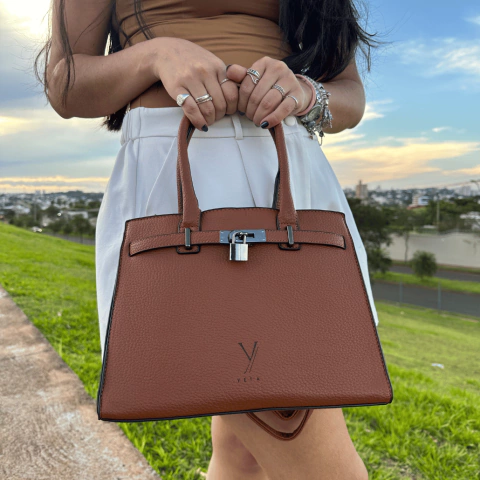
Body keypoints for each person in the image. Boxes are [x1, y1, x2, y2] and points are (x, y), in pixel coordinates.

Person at [36, 0, 385, 478]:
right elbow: (66, 84)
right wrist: (155, 55)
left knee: (242, 454)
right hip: (181, 173)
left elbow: (350, 97)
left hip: (292, 173)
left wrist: (305, 92)